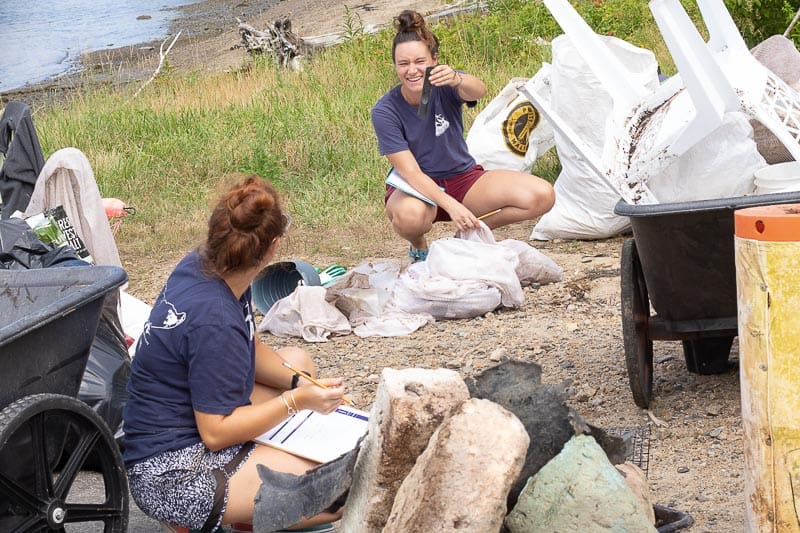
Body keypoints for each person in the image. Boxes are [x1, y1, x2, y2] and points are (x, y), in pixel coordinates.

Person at [122, 174, 346, 532]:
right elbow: (215, 433)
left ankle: (245, 507)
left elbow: (249, 344)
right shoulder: (215, 320)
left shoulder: (204, 265)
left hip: (170, 430)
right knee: (334, 491)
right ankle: (227, 513)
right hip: (173, 472)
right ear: (273, 247)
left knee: (298, 362)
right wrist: (298, 401)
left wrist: (304, 383)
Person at [371, 10, 555, 262]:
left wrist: (458, 78)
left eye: (419, 61)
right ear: (395, 66)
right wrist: (451, 205)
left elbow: (478, 91)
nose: (412, 70)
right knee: (410, 218)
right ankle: (419, 245)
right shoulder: (385, 110)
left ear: (434, 59)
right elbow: (411, 173)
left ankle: (466, 234)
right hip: (417, 188)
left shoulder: (444, 83)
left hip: (463, 178)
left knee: (542, 195)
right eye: (403, 64)